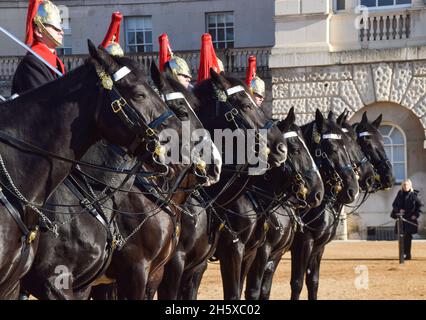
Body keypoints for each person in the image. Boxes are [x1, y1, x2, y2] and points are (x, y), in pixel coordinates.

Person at [12, 0, 65, 95]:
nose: (61, 31)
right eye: (56, 27)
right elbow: (46, 103)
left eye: (60, 27)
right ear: (39, 31)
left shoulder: (57, 64)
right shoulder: (31, 63)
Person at [391, 179, 423, 260]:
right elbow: (394, 205)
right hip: (401, 219)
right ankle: (402, 254)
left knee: (408, 237)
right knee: (401, 237)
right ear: (402, 186)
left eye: (407, 185)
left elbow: (419, 206)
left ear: (410, 186)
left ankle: (407, 254)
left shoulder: (413, 195)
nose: (405, 186)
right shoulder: (400, 194)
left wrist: (415, 215)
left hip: (410, 220)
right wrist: (399, 210)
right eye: (404, 185)